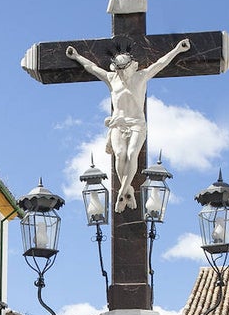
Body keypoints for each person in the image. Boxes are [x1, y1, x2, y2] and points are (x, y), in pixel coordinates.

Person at [66, 38, 191, 213]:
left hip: (136, 124)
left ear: (132, 66)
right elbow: (92, 68)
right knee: (120, 154)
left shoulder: (142, 76)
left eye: (125, 69)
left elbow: (161, 63)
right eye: (119, 70)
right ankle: (128, 189)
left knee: (132, 153)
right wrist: (77, 56)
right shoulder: (111, 79)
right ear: (115, 68)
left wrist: (178, 49)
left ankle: (121, 192)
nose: (122, 73)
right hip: (118, 123)